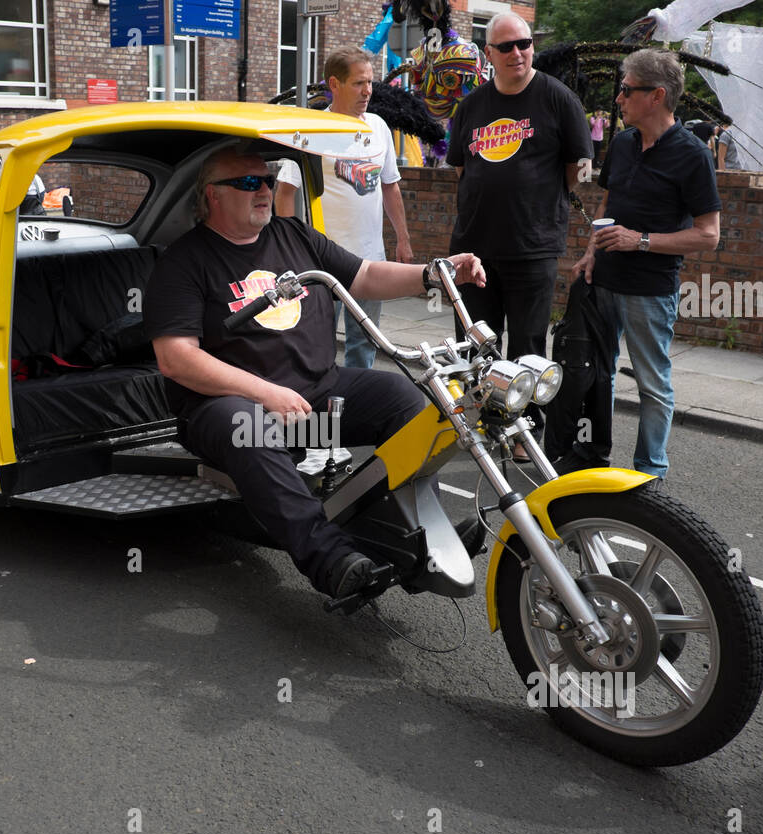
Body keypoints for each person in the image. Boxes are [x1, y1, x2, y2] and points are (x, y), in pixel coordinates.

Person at [143, 143, 485, 601]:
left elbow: (363, 277)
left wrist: (435, 274)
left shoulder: (295, 235)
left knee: (406, 402)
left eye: (266, 179)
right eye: (247, 183)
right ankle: (331, 561)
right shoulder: (184, 261)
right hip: (225, 408)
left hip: (315, 398)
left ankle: (421, 536)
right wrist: (264, 393)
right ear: (212, 196)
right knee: (249, 428)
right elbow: (176, 358)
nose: (263, 189)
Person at [447, 11, 593, 456]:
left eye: (525, 43)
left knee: (527, 347)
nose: (518, 53)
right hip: (474, 249)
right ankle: (478, 426)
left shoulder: (557, 98)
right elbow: (461, 167)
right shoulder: (471, 106)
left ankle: (522, 433)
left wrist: (539, 202)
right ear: (489, 53)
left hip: (533, 248)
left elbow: (578, 168)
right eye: (507, 46)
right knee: (473, 344)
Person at [570, 49, 721, 479]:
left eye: (626, 89)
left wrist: (642, 241)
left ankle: (649, 472)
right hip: (605, 281)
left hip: (651, 291)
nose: (618, 98)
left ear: (656, 96)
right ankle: (595, 457)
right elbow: (608, 200)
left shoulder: (693, 155)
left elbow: (709, 235)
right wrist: (589, 252)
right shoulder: (621, 142)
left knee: (652, 385)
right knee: (599, 376)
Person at [275, 46, 414, 369]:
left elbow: (390, 185)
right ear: (334, 84)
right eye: (358, 83)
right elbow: (284, 192)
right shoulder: (311, 128)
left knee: (363, 348)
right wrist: (291, 250)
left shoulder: (378, 126)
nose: (368, 91)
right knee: (317, 345)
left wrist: (403, 239)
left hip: (372, 262)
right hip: (326, 261)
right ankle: (323, 411)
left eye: (370, 83)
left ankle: (358, 413)